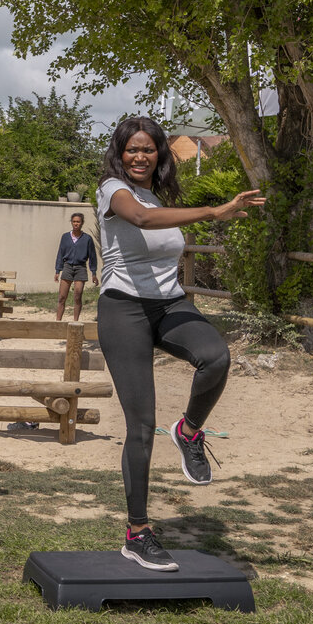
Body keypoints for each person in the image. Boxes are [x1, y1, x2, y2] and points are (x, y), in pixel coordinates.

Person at [96, 116, 264, 571]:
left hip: (169, 305)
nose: (139, 156)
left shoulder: (160, 195)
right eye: (132, 149)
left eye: (148, 149)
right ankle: (137, 532)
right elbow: (142, 220)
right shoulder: (114, 190)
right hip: (122, 309)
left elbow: (158, 219)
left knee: (216, 357)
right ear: (120, 153)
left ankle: (189, 430)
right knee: (140, 425)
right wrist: (214, 212)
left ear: (160, 155)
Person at [54, 211, 98, 321]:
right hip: (67, 267)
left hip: (81, 267)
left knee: (77, 295)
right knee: (62, 297)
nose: (76, 224)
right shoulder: (65, 237)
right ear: (71, 223)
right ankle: (58, 322)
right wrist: (57, 270)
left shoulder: (87, 239)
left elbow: (92, 257)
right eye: (74, 222)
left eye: (78, 222)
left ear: (82, 223)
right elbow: (60, 253)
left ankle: (75, 322)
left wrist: (94, 273)